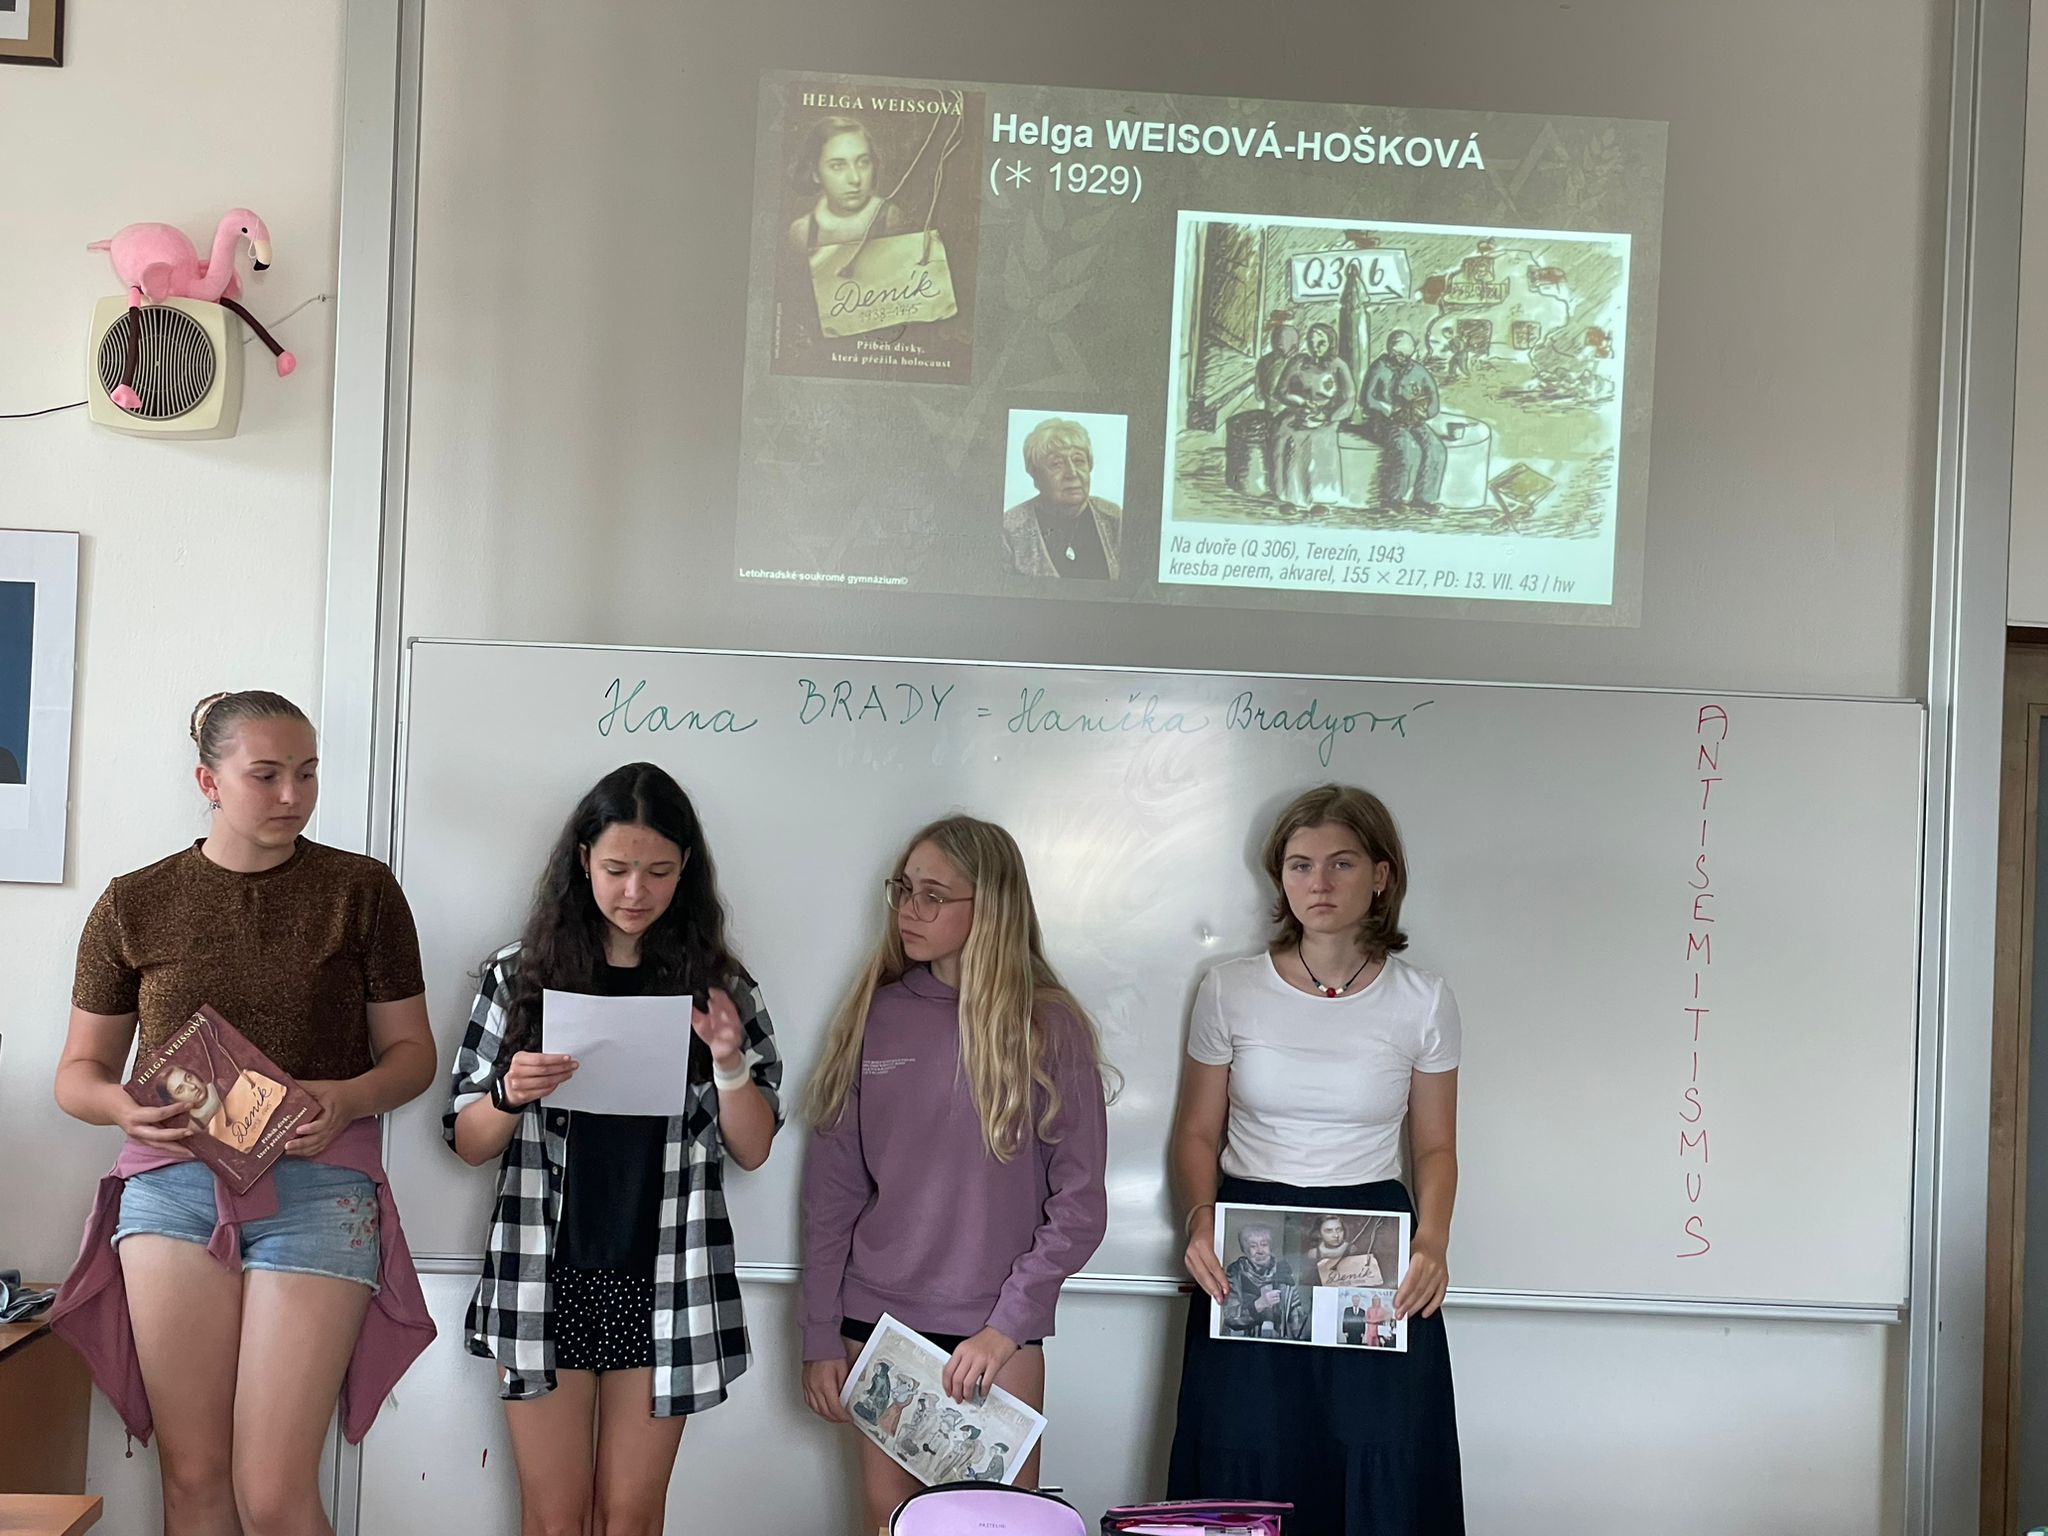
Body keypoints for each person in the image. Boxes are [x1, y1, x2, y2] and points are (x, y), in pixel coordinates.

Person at [51, 689, 437, 1536]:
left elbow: (413, 1055)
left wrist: (349, 1097)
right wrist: (120, 1105)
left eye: (308, 774)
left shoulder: (363, 891)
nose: (293, 795)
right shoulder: (132, 902)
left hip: (320, 1192)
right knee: (194, 1483)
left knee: (273, 1494)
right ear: (209, 781)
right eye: (267, 775)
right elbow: (77, 1075)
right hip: (172, 1192)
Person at [444, 761, 782, 1536]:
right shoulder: (520, 975)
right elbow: (467, 1142)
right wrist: (509, 1093)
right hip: (544, 1272)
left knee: (630, 1518)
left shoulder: (719, 986)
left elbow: (755, 1148)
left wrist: (730, 1063)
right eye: (618, 869)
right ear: (583, 861)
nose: (636, 890)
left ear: (685, 869)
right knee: (554, 1520)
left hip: (666, 1274)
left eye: (658, 871)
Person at [799, 815, 1115, 1535]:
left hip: (995, 1334)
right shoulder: (876, 1015)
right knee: (891, 1527)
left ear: (991, 905)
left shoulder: (1048, 1026)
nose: (911, 909)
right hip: (879, 1330)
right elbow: (831, 1196)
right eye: (904, 889)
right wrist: (819, 1333)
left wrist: (1005, 1330)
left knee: (995, 1529)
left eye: (935, 895)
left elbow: (1079, 1205)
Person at [1169, 783, 1464, 1535]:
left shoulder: (1423, 1001)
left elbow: (1435, 1145)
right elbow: (1197, 1132)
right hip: (1251, 1236)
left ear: (1381, 875)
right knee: (1246, 1448)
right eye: (1300, 865)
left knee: (1375, 1448)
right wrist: (1200, 1219)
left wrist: (1432, 1241)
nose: (1319, 883)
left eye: (1341, 863)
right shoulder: (1229, 989)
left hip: (1370, 1237)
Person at [1002, 417, 1122, 580]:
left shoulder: (1114, 518)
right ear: (1035, 473)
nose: (1072, 473)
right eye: (1056, 464)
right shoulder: (1009, 530)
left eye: (1079, 461)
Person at [1360, 330, 1448, 515]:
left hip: (1414, 420)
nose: (1404, 360)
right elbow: (1367, 399)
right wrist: (1388, 409)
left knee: (1436, 449)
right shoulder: (1379, 368)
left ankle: (1424, 500)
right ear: (1391, 351)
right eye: (1399, 355)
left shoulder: (1417, 369)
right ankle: (1394, 499)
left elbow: (1433, 398)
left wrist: (1424, 413)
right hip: (1385, 422)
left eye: (1408, 355)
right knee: (1407, 448)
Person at [1221, 1222, 1306, 1340]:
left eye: (1264, 1244)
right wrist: (1259, 1304)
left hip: (1276, 1343)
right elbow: (1230, 1318)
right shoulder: (1234, 1273)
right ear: (1245, 1250)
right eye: (1253, 1246)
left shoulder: (1283, 1273)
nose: (1260, 1250)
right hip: (1240, 1343)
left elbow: (1296, 1317)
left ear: (1270, 1248)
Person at [157, 1063, 225, 1132]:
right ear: (173, 1101)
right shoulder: (194, 1127)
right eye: (180, 1089)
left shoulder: (222, 1085)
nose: (192, 1086)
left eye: (189, 1077)